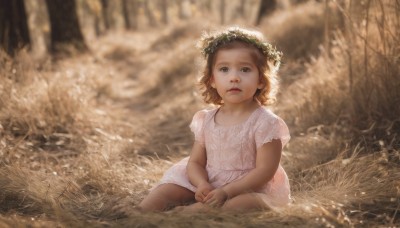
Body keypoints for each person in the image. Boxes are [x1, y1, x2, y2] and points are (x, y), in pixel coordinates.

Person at [139, 26, 291, 212]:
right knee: (166, 190)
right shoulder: (207, 119)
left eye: (245, 70)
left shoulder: (266, 123)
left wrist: (227, 191)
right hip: (209, 182)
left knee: (245, 204)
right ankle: (138, 213)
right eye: (224, 69)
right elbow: (195, 162)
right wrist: (202, 184)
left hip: (247, 188)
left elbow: (264, 171)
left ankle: (187, 214)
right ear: (212, 79)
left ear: (261, 79)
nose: (234, 77)